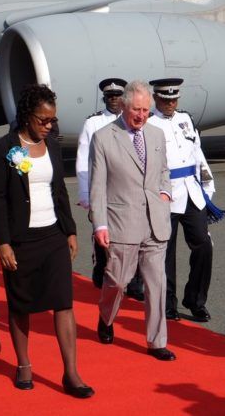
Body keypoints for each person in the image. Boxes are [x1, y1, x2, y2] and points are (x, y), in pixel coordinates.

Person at [0, 84, 93, 398]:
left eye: (52, 121)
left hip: (53, 235)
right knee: (21, 305)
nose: (49, 126)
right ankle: (23, 365)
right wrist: (2, 242)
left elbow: (59, 190)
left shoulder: (52, 145)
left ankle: (71, 372)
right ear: (26, 116)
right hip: (20, 239)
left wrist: (70, 230)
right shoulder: (4, 148)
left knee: (64, 303)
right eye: (43, 120)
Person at [89, 80, 176, 361]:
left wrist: (164, 193)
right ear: (124, 106)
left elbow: (164, 171)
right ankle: (106, 317)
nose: (141, 115)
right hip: (121, 222)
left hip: (155, 221)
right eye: (136, 109)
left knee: (156, 284)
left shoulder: (155, 135)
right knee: (118, 281)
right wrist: (99, 224)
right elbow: (97, 185)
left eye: (146, 110)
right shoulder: (103, 137)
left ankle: (157, 341)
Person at [148, 78, 217, 323]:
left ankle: (196, 299)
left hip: (190, 192)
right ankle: (168, 303)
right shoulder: (148, 123)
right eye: (166, 100)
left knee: (203, 245)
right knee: (165, 252)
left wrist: (208, 184)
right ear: (156, 98)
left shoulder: (185, 119)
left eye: (174, 99)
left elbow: (197, 153)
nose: (171, 104)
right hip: (163, 194)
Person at [75, 77, 144, 298]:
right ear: (104, 98)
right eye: (109, 97)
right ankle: (103, 269)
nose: (113, 100)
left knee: (136, 234)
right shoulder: (93, 123)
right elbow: (83, 160)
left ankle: (134, 282)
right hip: (102, 189)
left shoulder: (132, 120)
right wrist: (85, 193)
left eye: (117, 96)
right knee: (105, 236)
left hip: (130, 190)